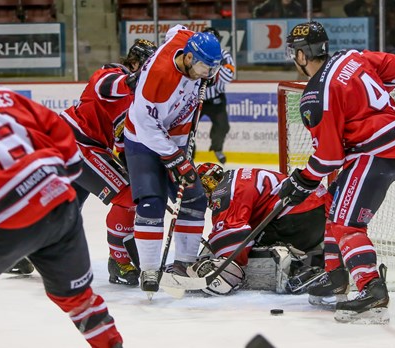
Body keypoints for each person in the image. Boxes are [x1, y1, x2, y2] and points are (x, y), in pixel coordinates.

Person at [0, 34, 123, 348]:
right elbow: (61, 132)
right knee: (76, 297)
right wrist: (59, 181)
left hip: (11, 220)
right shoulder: (10, 97)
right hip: (63, 206)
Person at [279, 21, 395, 324]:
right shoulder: (352, 57)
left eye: (295, 53)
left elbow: (330, 157)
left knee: (347, 224)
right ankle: (335, 275)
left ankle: (371, 288)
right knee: (335, 202)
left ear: (303, 56)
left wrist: (304, 179)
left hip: (376, 153)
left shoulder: (315, 95)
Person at [123, 25, 222, 296]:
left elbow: (174, 29)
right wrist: (175, 160)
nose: (207, 75)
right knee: (151, 202)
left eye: (211, 70)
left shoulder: (185, 40)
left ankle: (183, 266)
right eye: (204, 68)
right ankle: (151, 269)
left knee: (194, 197)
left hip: (176, 139)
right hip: (143, 141)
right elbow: (147, 128)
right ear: (188, 59)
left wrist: (207, 66)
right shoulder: (158, 81)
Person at [59, 39, 157, 286]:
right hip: (77, 142)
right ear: (133, 63)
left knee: (63, 215)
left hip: (89, 146)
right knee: (128, 195)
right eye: (146, 68)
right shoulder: (112, 73)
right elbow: (105, 86)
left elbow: (124, 137)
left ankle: (29, 249)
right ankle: (119, 261)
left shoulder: (138, 98)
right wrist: (135, 80)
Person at [184, 163, 336, 296]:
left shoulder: (223, 190)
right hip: (320, 215)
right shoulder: (237, 176)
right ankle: (317, 259)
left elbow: (233, 235)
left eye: (204, 187)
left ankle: (296, 269)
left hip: (297, 218)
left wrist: (223, 268)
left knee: (246, 244)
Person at [197, 27, 235, 164]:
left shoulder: (225, 56)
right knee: (188, 127)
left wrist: (216, 61)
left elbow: (228, 77)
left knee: (223, 126)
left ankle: (217, 148)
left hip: (216, 100)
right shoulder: (195, 54)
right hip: (196, 100)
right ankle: (188, 152)